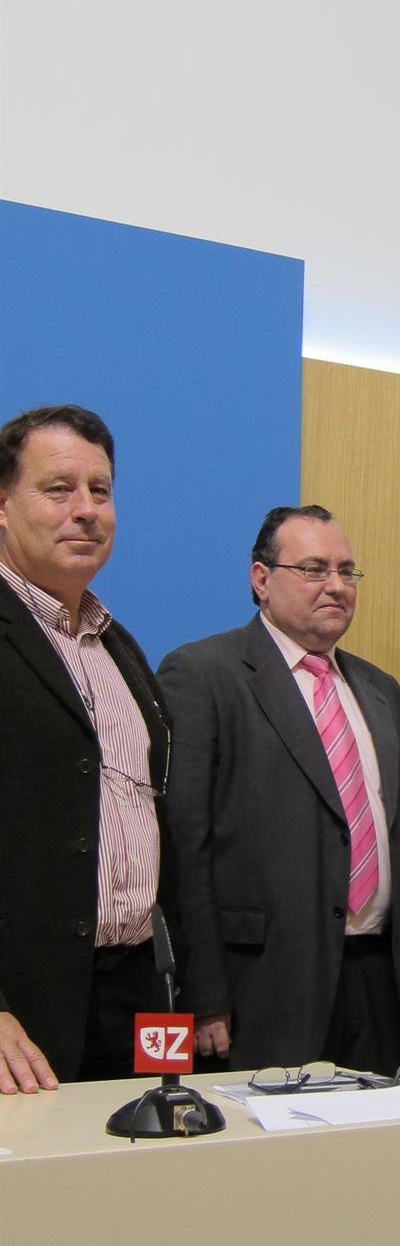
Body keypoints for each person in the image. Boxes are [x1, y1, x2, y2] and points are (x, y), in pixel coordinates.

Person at [157, 504, 400, 1075]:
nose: (336, 586)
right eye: (313, 569)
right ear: (261, 580)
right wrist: (204, 994)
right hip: (260, 990)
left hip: (378, 984)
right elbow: (184, 849)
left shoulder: (380, 690)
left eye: (346, 571)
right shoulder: (203, 675)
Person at [0, 405, 176, 1094]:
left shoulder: (118, 646)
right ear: (3, 506)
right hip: (23, 1005)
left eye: (100, 491)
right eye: (58, 489)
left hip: (135, 992)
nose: (86, 510)